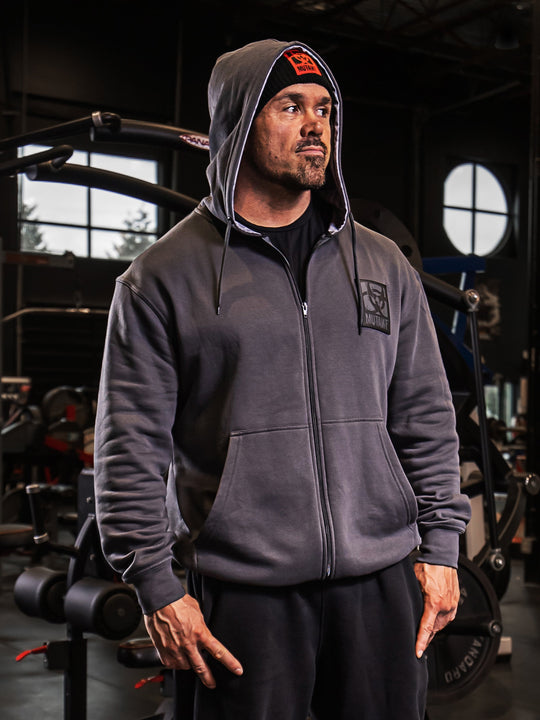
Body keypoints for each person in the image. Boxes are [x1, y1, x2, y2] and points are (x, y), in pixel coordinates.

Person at [94, 38, 471, 720]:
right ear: (237, 124)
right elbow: (130, 449)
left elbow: (425, 416)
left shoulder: (382, 265)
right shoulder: (161, 279)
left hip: (384, 586)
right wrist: (154, 585)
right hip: (243, 595)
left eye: (325, 108)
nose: (314, 125)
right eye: (290, 105)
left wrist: (443, 548)